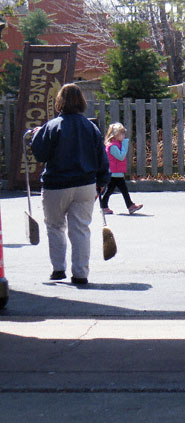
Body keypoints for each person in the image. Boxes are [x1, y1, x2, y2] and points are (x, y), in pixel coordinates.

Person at [31, 83, 110, 285]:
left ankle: (58, 269)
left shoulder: (52, 126)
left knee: (55, 226)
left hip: (56, 185)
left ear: (60, 102)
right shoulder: (90, 127)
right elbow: (101, 158)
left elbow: (40, 153)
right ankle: (80, 273)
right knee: (81, 229)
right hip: (85, 184)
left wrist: (36, 135)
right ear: (81, 101)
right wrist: (101, 182)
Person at [101, 122, 143, 215]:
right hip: (113, 173)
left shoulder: (117, 144)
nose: (123, 136)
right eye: (121, 133)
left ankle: (129, 205)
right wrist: (125, 145)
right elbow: (121, 156)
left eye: (124, 133)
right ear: (115, 135)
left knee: (117, 190)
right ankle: (105, 206)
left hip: (117, 172)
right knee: (112, 190)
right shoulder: (113, 146)